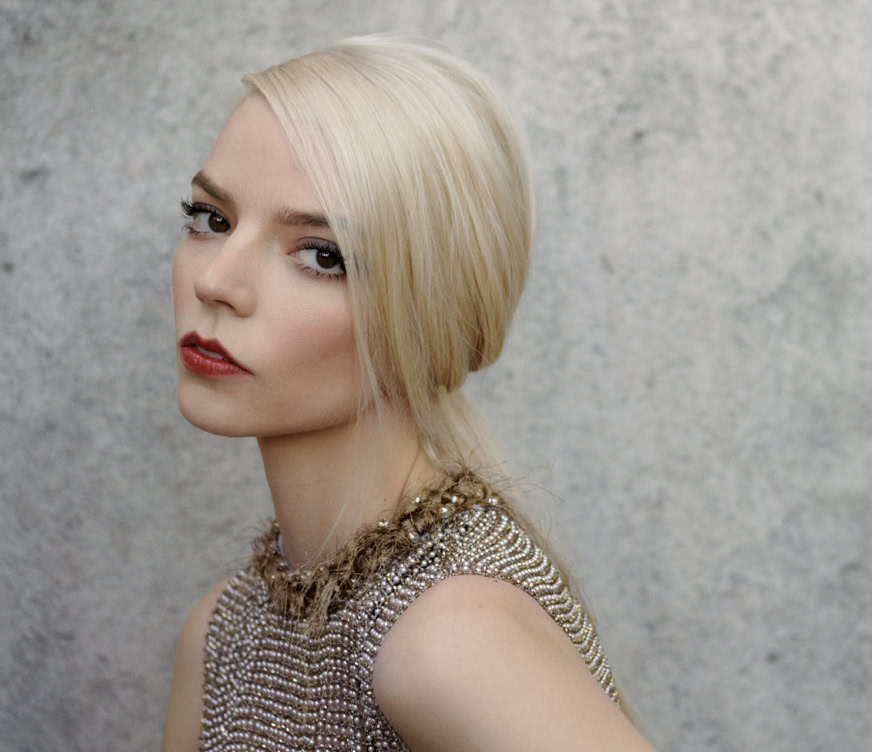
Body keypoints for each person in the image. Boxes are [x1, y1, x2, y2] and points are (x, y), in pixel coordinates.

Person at [161, 34, 656, 752]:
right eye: (212, 219)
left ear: (433, 315)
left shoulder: (448, 638)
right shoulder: (222, 634)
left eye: (322, 255)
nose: (214, 282)